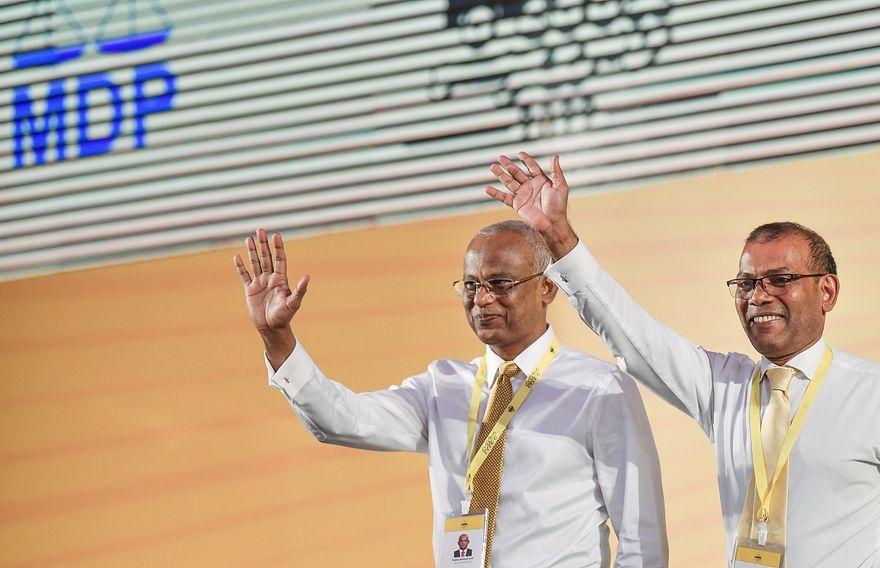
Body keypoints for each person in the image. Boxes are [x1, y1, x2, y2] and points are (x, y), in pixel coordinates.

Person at [486, 151, 880, 567]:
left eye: (781, 280)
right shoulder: (725, 387)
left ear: (827, 291)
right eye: (746, 283)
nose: (759, 296)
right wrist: (558, 236)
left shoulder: (871, 394)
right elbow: (631, 334)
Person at [233, 222, 668, 567]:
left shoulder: (598, 389)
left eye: (500, 283)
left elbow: (641, 537)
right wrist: (277, 337)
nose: (482, 300)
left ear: (547, 287)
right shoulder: (443, 386)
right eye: (471, 285)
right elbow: (341, 420)